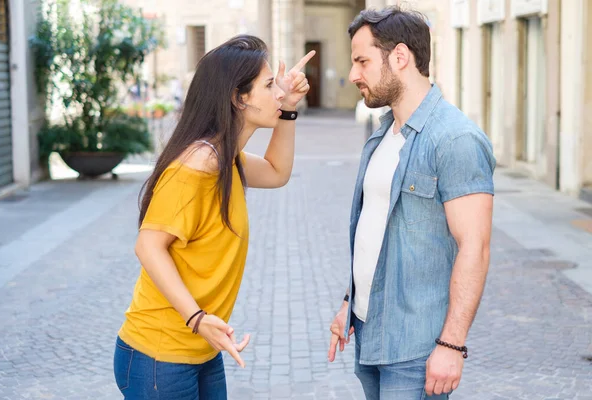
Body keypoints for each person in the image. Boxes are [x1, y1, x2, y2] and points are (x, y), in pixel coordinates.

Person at [113, 35, 315, 399]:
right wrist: (197, 319)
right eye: (269, 86)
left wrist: (287, 111)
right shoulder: (197, 165)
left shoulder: (225, 159)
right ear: (239, 97)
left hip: (201, 348)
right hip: (160, 354)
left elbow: (275, 172)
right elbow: (148, 245)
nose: (279, 92)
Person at [327, 7, 496, 400]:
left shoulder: (455, 139)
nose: (354, 75)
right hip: (371, 331)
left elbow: (476, 247)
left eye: (362, 61)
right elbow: (376, 231)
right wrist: (349, 303)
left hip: (416, 347)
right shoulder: (382, 135)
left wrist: (452, 346)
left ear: (400, 57)